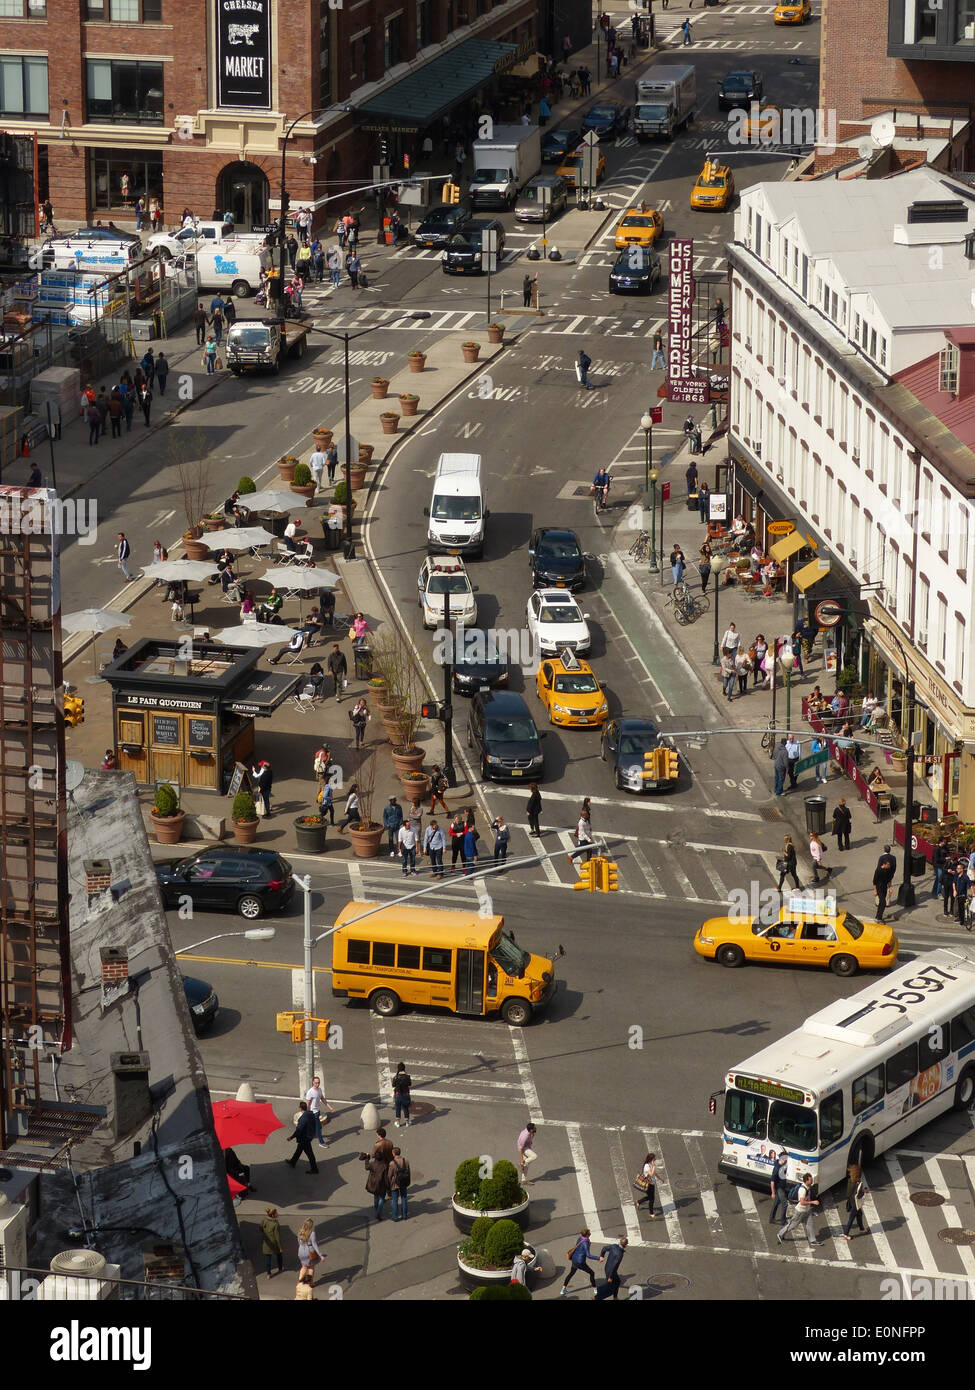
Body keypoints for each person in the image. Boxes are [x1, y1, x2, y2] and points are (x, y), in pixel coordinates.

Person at [778, 1173, 821, 1247]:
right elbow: (802, 1202)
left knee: (809, 1224)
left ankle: (813, 1240)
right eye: (810, 1180)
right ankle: (780, 1234)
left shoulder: (808, 1187)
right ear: (806, 1180)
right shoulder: (802, 1190)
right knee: (793, 1225)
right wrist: (813, 1202)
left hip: (807, 1210)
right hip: (800, 1211)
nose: (812, 1181)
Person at [561, 1229, 597, 1295]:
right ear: (586, 1234)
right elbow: (588, 1255)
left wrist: (588, 1244)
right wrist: (598, 1258)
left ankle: (563, 1289)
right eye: (589, 1232)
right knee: (592, 1273)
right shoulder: (586, 1242)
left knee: (571, 1273)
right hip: (580, 1262)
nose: (590, 1233)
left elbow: (578, 1247)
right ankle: (595, 1289)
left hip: (574, 1259)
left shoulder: (580, 1238)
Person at [286, 1102, 319, 1174]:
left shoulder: (303, 1119)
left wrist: (291, 1137)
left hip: (304, 1138)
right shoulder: (311, 1114)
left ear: (300, 1108)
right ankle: (292, 1162)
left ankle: (314, 1169)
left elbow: (298, 1130)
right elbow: (315, 1123)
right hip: (308, 1136)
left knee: (310, 1154)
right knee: (299, 1150)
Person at [360, 1148, 390, 1221]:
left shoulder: (373, 1164)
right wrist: (388, 1186)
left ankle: (376, 1209)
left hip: (373, 1183)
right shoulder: (384, 1165)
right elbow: (386, 1177)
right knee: (381, 1198)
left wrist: (367, 1159)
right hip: (381, 1184)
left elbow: (367, 1167)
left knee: (376, 1197)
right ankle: (378, 1212)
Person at [843, 1163, 868, 1240]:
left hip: (851, 1201)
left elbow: (848, 1193)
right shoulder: (859, 1184)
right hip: (855, 1203)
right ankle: (846, 1234)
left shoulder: (850, 1181)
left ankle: (862, 1229)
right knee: (851, 1218)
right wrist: (863, 1191)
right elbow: (859, 1195)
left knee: (859, 1214)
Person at [873, 845, 897, 921]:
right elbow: (875, 880)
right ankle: (879, 917)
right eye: (888, 865)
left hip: (884, 885)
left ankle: (878, 916)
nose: (889, 865)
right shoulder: (879, 871)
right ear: (885, 864)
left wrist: (890, 887)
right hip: (879, 886)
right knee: (883, 902)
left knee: (881, 902)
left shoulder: (881, 859)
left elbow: (887, 878)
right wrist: (875, 890)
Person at [295, 1218, 322, 1284]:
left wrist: (298, 1251)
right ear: (311, 1226)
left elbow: (299, 1241)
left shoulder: (300, 1231)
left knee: (304, 1267)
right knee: (311, 1267)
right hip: (309, 1251)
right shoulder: (312, 1233)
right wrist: (320, 1255)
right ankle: (310, 1283)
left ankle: (299, 1281)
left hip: (301, 1250)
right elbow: (314, 1244)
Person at [388, 1146, 411, 1221]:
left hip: (395, 1183)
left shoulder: (392, 1163)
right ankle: (404, 1215)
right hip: (404, 1182)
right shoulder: (406, 1161)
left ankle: (395, 1216)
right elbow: (408, 1172)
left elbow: (389, 1175)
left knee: (395, 1200)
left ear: (394, 1153)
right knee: (404, 1198)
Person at [769, 1150, 790, 1227]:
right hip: (779, 1188)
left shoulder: (783, 1165)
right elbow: (772, 1181)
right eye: (786, 1159)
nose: (787, 1161)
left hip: (782, 1187)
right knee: (785, 1203)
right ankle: (782, 1220)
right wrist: (773, 1193)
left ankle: (771, 1218)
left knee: (776, 1203)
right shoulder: (777, 1168)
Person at [261, 1207, 284, 1278]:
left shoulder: (264, 1220)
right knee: (279, 1255)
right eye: (276, 1213)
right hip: (274, 1244)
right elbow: (277, 1237)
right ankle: (280, 1268)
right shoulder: (275, 1224)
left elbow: (260, 1228)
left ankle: (268, 1273)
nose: (278, 1214)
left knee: (268, 1259)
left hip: (266, 1242)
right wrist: (280, 1247)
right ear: (273, 1215)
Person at [636, 1152, 657, 1217]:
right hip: (648, 1184)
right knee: (652, 1199)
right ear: (651, 1159)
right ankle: (651, 1213)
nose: (655, 1160)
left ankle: (639, 1202)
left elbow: (654, 1173)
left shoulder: (650, 1164)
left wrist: (660, 1178)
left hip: (652, 1183)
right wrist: (653, 1166)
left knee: (650, 1197)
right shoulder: (647, 1166)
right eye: (654, 1159)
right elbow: (651, 1174)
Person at [392, 1062, 412, 1128]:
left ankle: (398, 1123)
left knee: (398, 1108)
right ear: (404, 1068)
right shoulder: (407, 1077)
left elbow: (393, 1085)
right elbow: (409, 1084)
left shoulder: (396, 1077)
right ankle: (407, 1122)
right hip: (405, 1094)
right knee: (405, 1108)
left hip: (398, 1095)